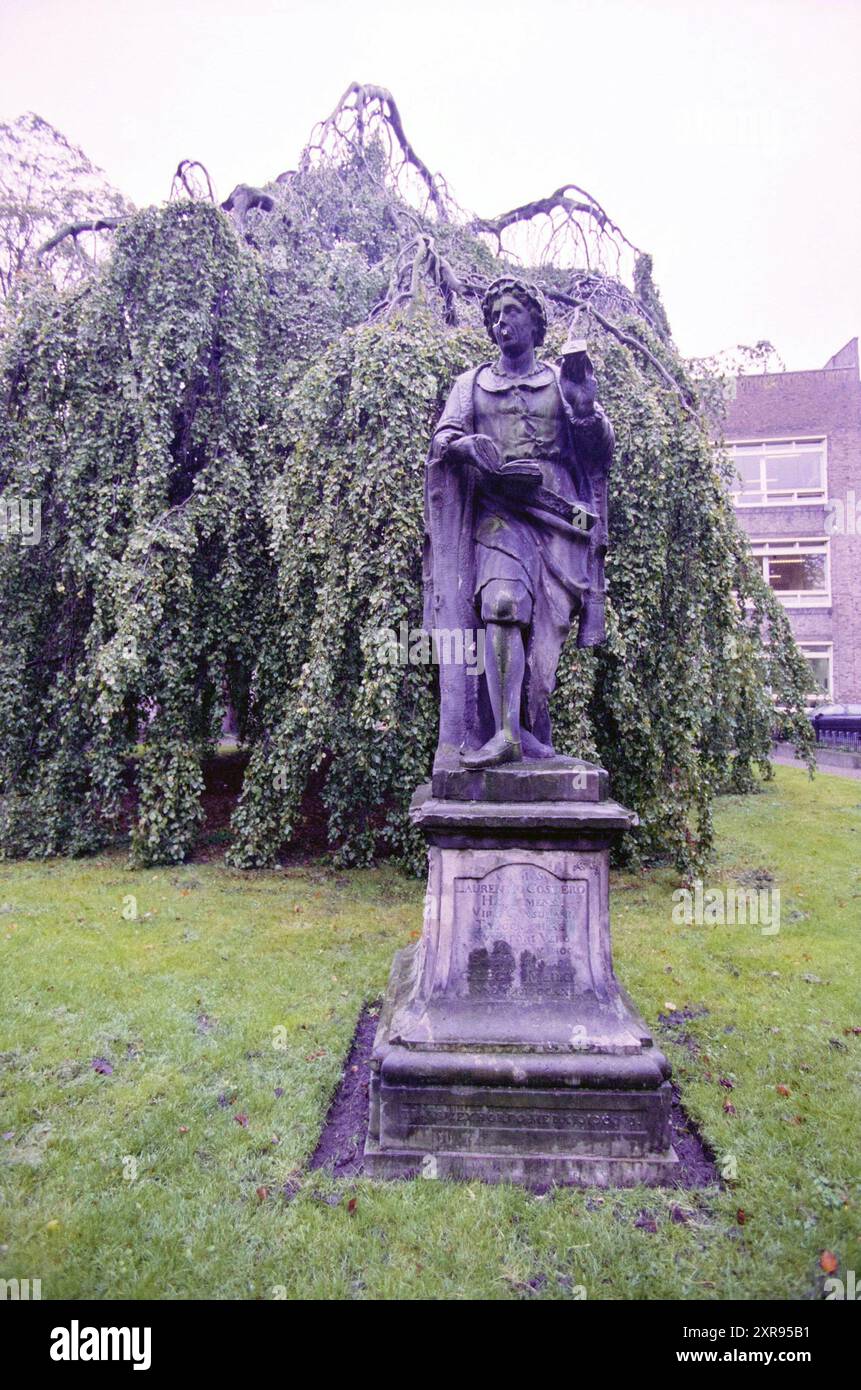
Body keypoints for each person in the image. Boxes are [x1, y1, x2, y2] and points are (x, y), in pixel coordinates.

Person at [424, 276, 614, 769]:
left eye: (511, 312)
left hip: (558, 521)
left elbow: (597, 458)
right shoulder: (471, 386)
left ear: (535, 320)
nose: (500, 322)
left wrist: (586, 408)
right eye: (494, 315)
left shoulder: (560, 380)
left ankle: (526, 729)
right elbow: (443, 439)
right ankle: (507, 734)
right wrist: (468, 447)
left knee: (541, 660)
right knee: (502, 604)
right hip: (499, 511)